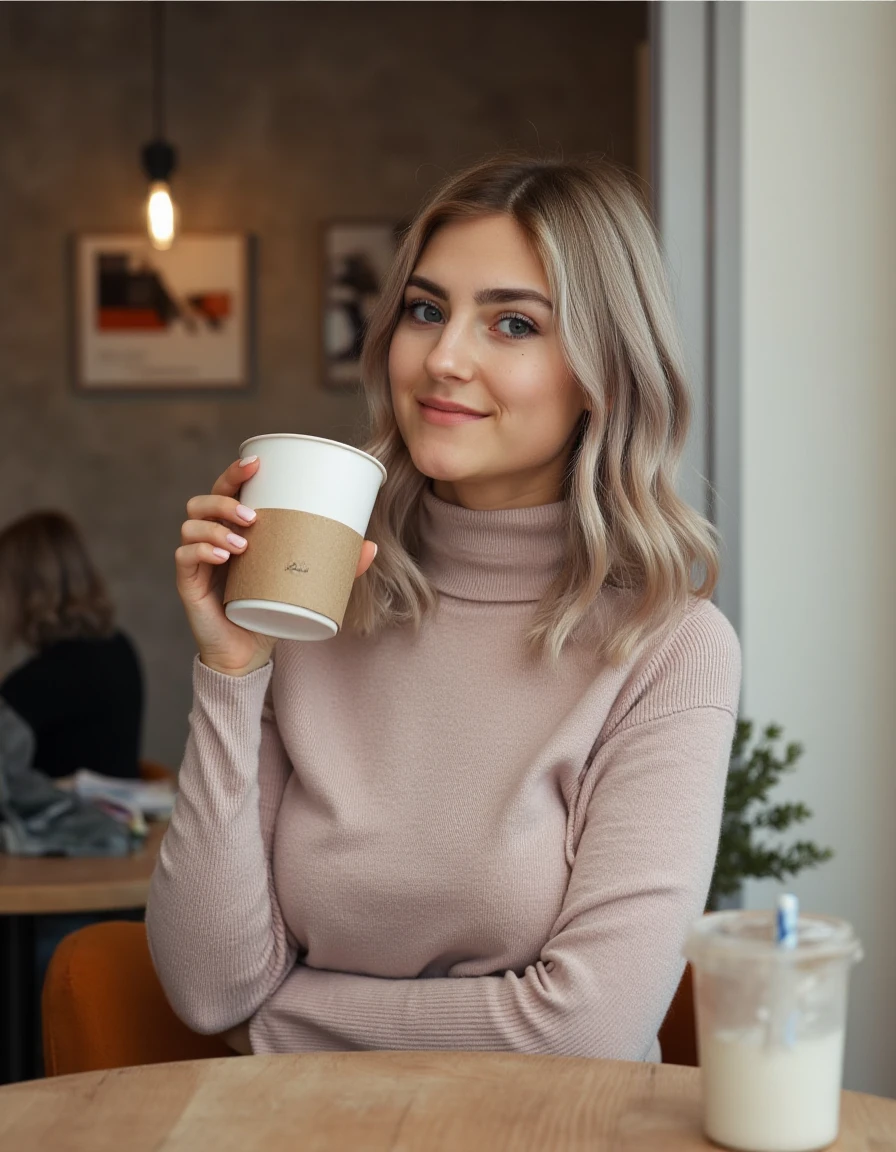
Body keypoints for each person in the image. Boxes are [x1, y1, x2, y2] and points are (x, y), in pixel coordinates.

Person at [146, 155, 741, 1062]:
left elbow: (586, 1031)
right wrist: (234, 668)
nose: (444, 358)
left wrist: (278, 1023)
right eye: (426, 311)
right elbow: (207, 986)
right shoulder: (316, 597)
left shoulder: (668, 648)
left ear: (603, 377)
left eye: (512, 324)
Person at [0, 511, 143, 780]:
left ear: (23, 591)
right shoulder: (120, 646)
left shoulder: (36, 681)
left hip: (68, 819)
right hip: (124, 817)